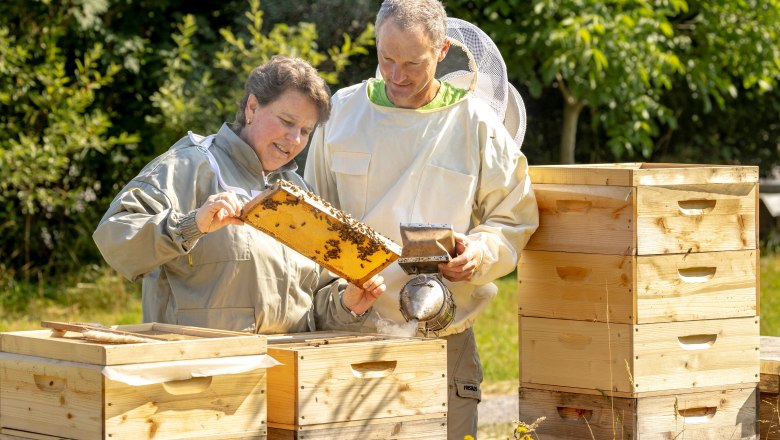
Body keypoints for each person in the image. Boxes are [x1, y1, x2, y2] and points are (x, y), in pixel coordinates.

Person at [304, 1, 539, 437]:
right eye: (386, 58)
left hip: (443, 331)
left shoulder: (475, 123)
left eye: (412, 63)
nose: (397, 75)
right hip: (350, 327)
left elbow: (513, 215)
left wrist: (478, 254)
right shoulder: (342, 112)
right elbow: (313, 218)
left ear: (442, 50)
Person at [93, 55, 385, 334]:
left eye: (305, 131)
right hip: (198, 362)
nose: (295, 139)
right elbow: (114, 238)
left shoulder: (299, 191)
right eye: (286, 121)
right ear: (252, 108)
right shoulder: (189, 166)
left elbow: (309, 308)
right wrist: (191, 226)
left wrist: (347, 304)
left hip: (287, 364)